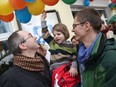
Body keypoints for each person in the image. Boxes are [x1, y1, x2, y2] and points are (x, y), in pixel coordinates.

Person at [72, 7, 116, 87]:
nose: (72, 30)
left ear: (86, 26)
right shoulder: (82, 55)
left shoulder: (110, 58)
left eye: (74, 26)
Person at [41, 12, 80, 87]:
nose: (56, 37)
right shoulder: (53, 43)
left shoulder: (71, 45)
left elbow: (74, 57)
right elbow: (45, 33)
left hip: (67, 71)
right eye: (54, 35)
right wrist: (43, 20)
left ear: (65, 34)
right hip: (55, 72)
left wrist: (74, 67)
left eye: (58, 34)